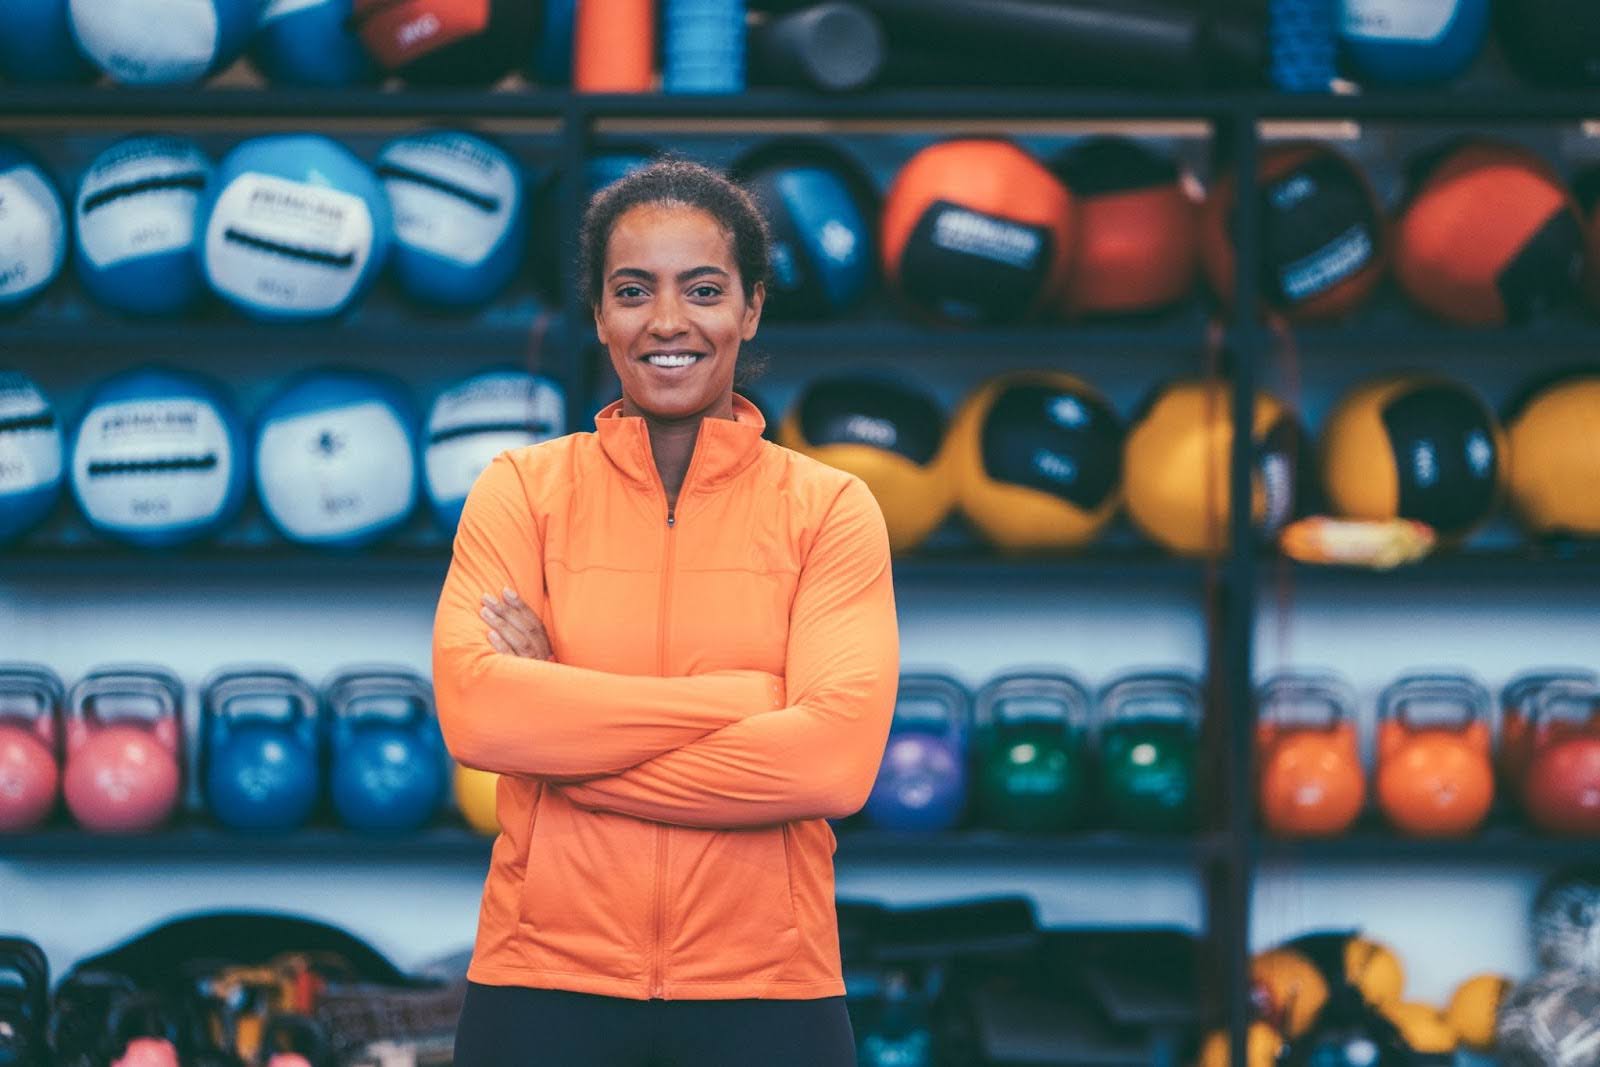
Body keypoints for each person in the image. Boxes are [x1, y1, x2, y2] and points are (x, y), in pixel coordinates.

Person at [433, 158, 901, 1066]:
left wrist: (563, 725)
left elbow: (832, 764)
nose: (668, 321)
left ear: (751, 309)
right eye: (634, 290)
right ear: (601, 316)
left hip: (769, 990)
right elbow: (480, 712)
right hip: (542, 983)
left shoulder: (829, 508)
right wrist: (749, 700)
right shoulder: (521, 492)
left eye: (704, 289)